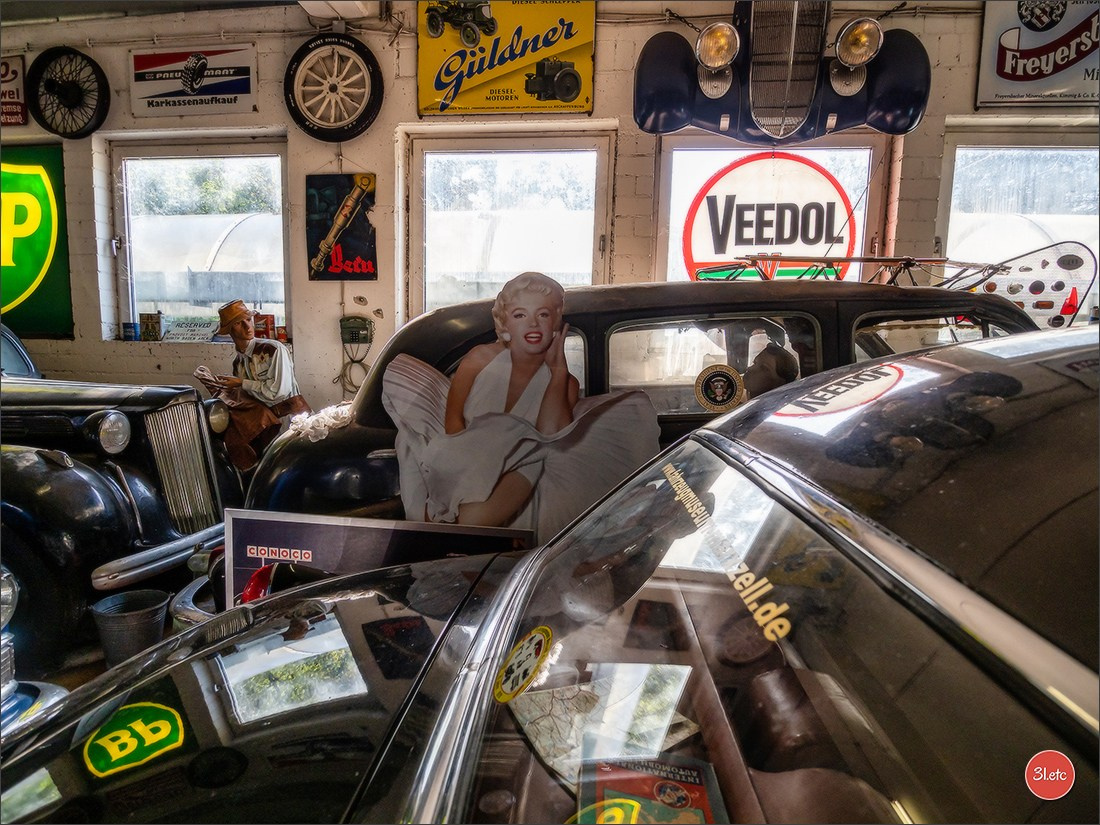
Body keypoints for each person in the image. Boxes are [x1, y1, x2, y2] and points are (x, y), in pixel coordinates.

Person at [382, 272, 660, 544]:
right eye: (520, 315)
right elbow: (452, 418)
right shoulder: (480, 358)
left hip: (524, 465)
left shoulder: (566, 382)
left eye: (543, 315)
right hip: (465, 455)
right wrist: (469, 462)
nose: (533, 324)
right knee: (457, 523)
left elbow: (553, 433)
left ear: (556, 321)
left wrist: (557, 370)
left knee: (482, 517)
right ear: (504, 321)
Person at [196, 299, 311, 472]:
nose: (248, 326)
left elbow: (277, 392)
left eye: (248, 320)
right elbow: (250, 398)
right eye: (238, 323)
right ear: (229, 331)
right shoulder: (238, 363)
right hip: (265, 425)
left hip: (290, 419)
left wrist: (242, 383)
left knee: (291, 470)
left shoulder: (274, 349)